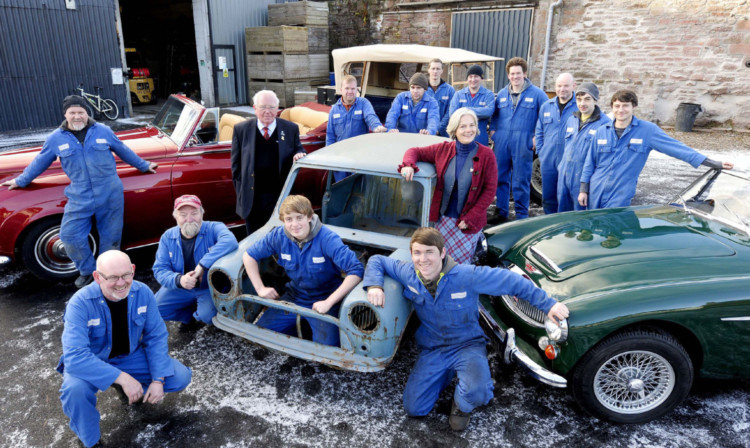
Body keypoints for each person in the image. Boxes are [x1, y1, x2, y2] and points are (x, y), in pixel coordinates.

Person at [363, 228, 569, 431]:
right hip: (433, 348)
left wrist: (548, 304)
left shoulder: (466, 275)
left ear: (442, 253)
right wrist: (374, 286)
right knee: (414, 408)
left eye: (429, 252)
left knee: (478, 393)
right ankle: (445, 374)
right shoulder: (409, 273)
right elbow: (377, 260)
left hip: (466, 346)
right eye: (417, 253)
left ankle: (462, 405)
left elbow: (513, 281)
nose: (423, 259)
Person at [1, 95, 158, 288]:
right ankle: (88, 271)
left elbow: (123, 150)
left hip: (109, 193)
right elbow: (40, 162)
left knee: (111, 238)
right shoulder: (55, 139)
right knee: (70, 236)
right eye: (72, 112)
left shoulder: (103, 131)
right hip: (79, 195)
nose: (77, 116)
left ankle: (107, 274)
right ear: (65, 114)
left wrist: (144, 166)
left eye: (81, 112)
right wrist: (21, 180)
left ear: (87, 113)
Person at [57, 250, 191, 447]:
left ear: (133, 270)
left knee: (180, 376)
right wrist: (123, 378)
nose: (121, 283)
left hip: (129, 356)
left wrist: (157, 379)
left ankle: (129, 388)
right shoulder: (80, 303)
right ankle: (90, 440)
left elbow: (156, 336)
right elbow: (75, 356)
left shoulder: (143, 292)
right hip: (92, 361)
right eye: (112, 277)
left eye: (126, 275)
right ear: (97, 277)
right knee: (74, 390)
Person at [578, 89, 734, 209]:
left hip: (620, 192)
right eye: (617, 106)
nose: (621, 110)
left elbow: (677, 148)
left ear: (634, 107)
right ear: (612, 107)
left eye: (625, 106)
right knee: (595, 228)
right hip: (595, 189)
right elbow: (589, 162)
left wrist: (713, 163)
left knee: (614, 231)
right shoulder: (601, 131)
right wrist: (583, 189)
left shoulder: (647, 131)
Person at [243, 195, 363, 347]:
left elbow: (356, 270)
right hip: (296, 295)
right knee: (261, 333)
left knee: (326, 349)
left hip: (326, 298)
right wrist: (260, 288)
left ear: (309, 217)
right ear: (283, 221)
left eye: (299, 218)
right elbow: (249, 255)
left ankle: (311, 329)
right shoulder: (278, 236)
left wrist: (329, 302)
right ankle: (301, 328)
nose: (294, 224)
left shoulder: (327, 238)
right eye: (289, 219)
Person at [399, 108, 497, 264]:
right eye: (463, 126)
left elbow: (490, 191)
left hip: (467, 224)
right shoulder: (443, 149)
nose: (468, 130)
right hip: (442, 221)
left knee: (459, 268)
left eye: (472, 125)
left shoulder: (487, 155)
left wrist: (471, 217)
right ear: (454, 129)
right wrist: (408, 165)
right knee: (438, 263)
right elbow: (414, 151)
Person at [153, 194, 238, 328]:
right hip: (182, 287)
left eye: (194, 213)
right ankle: (189, 317)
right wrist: (179, 280)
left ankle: (202, 314)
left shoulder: (214, 227)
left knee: (208, 317)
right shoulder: (167, 237)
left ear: (202, 213)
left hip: (207, 288)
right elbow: (159, 269)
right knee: (155, 309)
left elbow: (230, 241)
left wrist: (202, 265)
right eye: (183, 215)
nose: (189, 219)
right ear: (175, 217)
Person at [231, 90, 306, 235]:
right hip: (252, 200)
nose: (267, 111)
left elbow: (298, 148)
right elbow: (236, 168)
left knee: (281, 238)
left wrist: (299, 153)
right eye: (263, 107)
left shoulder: (290, 128)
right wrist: (242, 194)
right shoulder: (241, 130)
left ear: (278, 109)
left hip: (280, 198)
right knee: (255, 241)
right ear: (254, 108)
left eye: (272, 107)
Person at [489, 57, 548, 221]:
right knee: (500, 177)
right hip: (502, 143)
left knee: (521, 179)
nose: (515, 76)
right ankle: (501, 212)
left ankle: (521, 215)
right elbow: (494, 116)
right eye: (512, 73)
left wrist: (537, 138)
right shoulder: (502, 94)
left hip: (524, 142)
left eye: (518, 73)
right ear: (508, 75)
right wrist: (494, 132)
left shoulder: (537, 94)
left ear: (525, 74)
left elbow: (547, 117)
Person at [556, 83, 611, 212]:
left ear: (595, 100)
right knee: (562, 215)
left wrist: (585, 187)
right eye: (579, 99)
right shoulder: (572, 119)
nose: (582, 103)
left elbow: (603, 160)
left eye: (587, 99)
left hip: (584, 179)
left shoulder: (605, 124)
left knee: (580, 218)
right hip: (564, 176)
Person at [326, 75, 386, 182]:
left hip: (359, 157)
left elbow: (370, 116)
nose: (350, 91)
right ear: (341, 90)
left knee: (359, 189)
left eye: (353, 89)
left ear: (356, 90)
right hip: (340, 159)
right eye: (347, 88)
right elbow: (330, 136)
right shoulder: (334, 110)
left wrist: (377, 126)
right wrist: (329, 158)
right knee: (341, 188)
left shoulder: (363, 103)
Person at [534, 73, 578, 214]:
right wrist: (541, 152)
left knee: (567, 198)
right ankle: (550, 226)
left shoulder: (580, 106)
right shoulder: (547, 106)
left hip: (570, 161)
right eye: (559, 86)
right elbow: (539, 131)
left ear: (573, 86)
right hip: (548, 161)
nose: (562, 89)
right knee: (548, 198)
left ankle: (566, 229)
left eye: (566, 85)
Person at [448, 64, 495, 145]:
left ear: (481, 78)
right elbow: (453, 114)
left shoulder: (488, 95)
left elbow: (488, 111)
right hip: (462, 138)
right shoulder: (459, 94)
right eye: (470, 76)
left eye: (476, 76)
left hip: (480, 138)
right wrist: (479, 111)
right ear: (467, 79)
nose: (473, 79)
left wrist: (464, 110)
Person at [424, 59, 456, 137]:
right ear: (428, 70)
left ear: (442, 70)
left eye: (438, 69)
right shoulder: (422, 89)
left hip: (443, 133)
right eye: (433, 68)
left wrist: (438, 129)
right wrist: (428, 130)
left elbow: (450, 112)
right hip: (424, 132)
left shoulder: (450, 90)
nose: (435, 71)